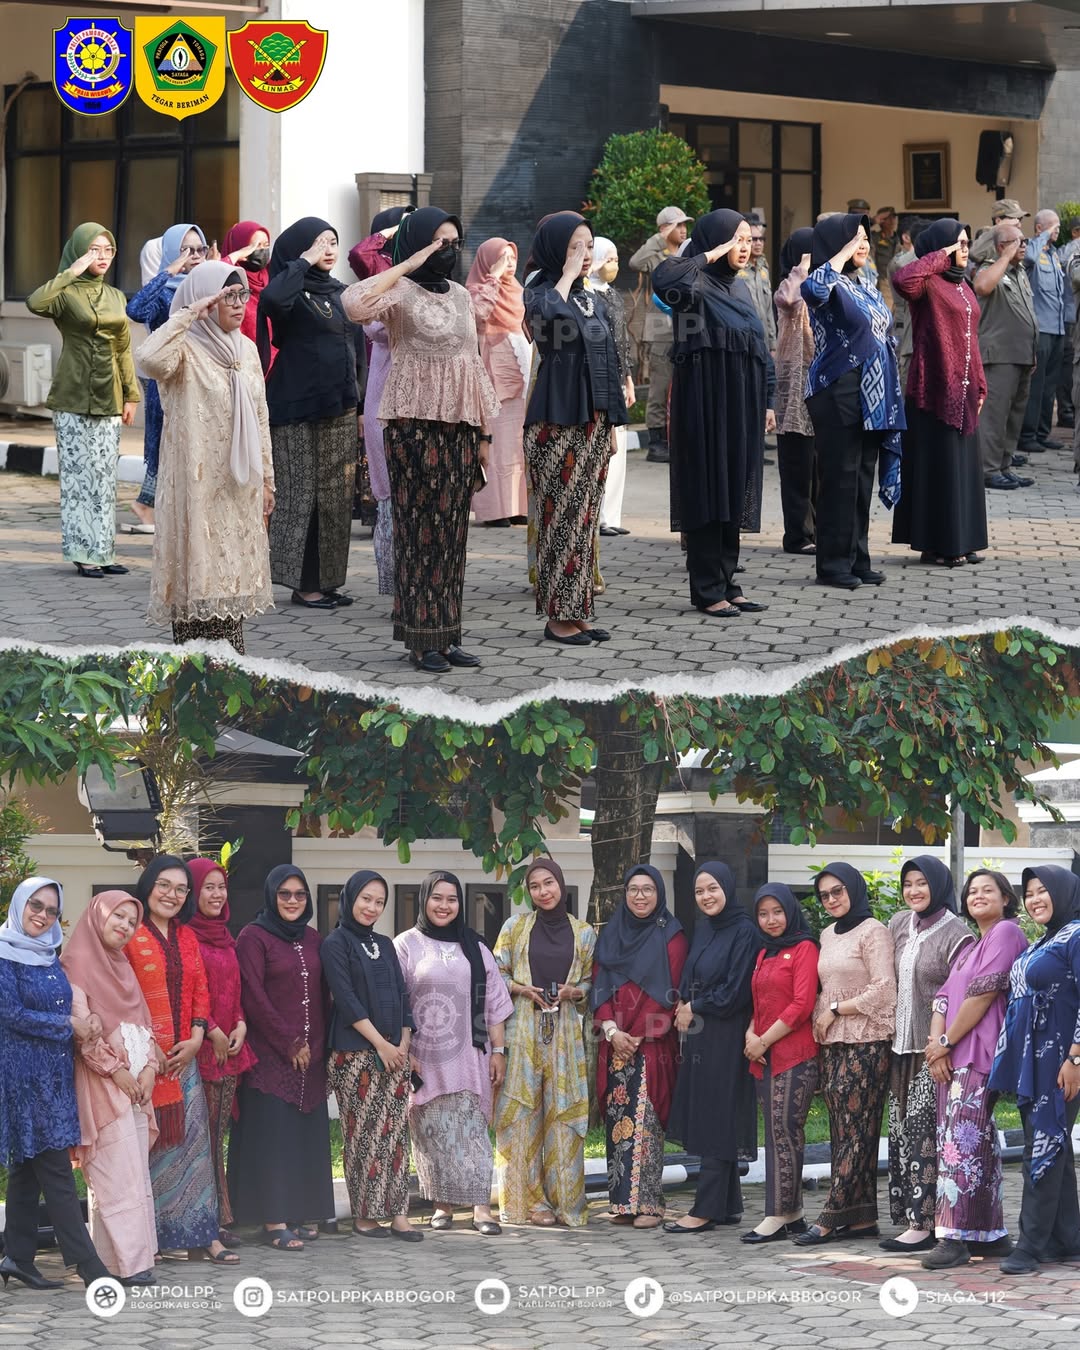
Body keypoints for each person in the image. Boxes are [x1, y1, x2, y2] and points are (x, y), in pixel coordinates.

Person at [343, 208, 498, 673]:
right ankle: (420, 638)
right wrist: (408, 265)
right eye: (437, 242)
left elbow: (471, 362)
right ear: (416, 243)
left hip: (458, 429)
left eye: (453, 243)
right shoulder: (398, 293)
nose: (447, 251)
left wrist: (483, 433)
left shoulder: (461, 295)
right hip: (412, 428)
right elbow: (353, 303)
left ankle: (448, 635)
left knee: (452, 536)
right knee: (418, 535)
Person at [138, 260, 275, 654]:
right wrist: (188, 314)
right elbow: (147, 359)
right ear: (206, 300)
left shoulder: (245, 349)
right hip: (196, 484)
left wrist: (267, 479)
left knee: (230, 576)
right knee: (199, 576)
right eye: (226, 296)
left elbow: (261, 416)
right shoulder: (183, 349)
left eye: (241, 294)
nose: (238, 303)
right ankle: (194, 672)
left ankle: (230, 667)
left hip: (237, 484)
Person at [653, 210, 774, 618]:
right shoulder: (692, 286)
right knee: (708, 489)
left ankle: (727, 581)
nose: (744, 247)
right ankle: (707, 589)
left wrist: (768, 401)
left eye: (747, 240)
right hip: (704, 404)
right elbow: (663, 278)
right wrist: (709, 254)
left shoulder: (740, 289)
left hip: (742, 403)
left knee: (734, 487)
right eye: (736, 239)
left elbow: (759, 346)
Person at [522, 212, 627, 646]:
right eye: (574, 247)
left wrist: (611, 423)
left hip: (593, 423)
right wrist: (565, 275)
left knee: (584, 522)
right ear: (554, 251)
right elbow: (545, 323)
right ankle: (557, 617)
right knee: (560, 519)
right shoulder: (540, 292)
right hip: (556, 422)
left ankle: (578, 609)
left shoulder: (592, 298)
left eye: (588, 245)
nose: (585, 254)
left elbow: (607, 362)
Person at [0, 878, 110, 1290]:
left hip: (55, 1075)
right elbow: (10, 1014)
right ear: (18, 905)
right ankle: (88, 1265)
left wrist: (85, 1020)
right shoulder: (3, 954)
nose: (42, 916)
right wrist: (68, 1025)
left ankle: (17, 1257)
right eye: (35, 905)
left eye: (51, 910)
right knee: (58, 1172)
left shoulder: (49, 955)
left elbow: (64, 1003)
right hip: (24, 1078)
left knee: (27, 1168)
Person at [126, 856, 236, 1264]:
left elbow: (200, 990)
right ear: (148, 886)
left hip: (184, 1061)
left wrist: (195, 1037)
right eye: (164, 885)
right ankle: (151, 1239)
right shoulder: (131, 934)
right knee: (150, 1149)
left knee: (194, 1148)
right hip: (143, 1064)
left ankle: (202, 1234)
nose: (172, 895)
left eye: (180, 889)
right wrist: (150, 1048)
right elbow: (124, 995)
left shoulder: (187, 936)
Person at [920, 869, 1028, 1269]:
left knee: (961, 1146)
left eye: (988, 890)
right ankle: (990, 1234)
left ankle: (954, 1237)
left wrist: (946, 1043)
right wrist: (937, 1046)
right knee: (973, 1143)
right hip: (951, 1056)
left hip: (977, 1053)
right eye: (972, 891)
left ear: (1006, 898)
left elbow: (983, 995)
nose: (977, 896)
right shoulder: (971, 946)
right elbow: (943, 998)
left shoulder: (1006, 933)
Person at [395, 871, 512, 1235]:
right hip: (424, 1055)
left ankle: (481, 1209)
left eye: (452, 899)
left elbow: (494, 1003)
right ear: (424, 900)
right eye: (437, 898)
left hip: (469, 1055)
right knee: (431, 1131)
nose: (444, 906)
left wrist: (499, 1050)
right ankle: (441, 1205)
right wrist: (404, 1050)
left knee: (473, 1131)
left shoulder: (475, 946)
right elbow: (396, 1002)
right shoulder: (406, 945)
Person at [229, 865, 335, 1251]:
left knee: (300, 1136)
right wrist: (289, 1043)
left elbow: (323, 996)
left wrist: (317, 1046)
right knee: (272, 1137)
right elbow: (252, 995)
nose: (293, 901)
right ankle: (273, 1220)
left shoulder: (312, 937)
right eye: (284, 894)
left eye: (300, 894)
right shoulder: (253, 937)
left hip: (311, 1057)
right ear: (271, 896)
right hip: (270, 1056)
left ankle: (298, 1213)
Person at [26, 223, 138, 577]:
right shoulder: (64, 294)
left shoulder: (116, 296)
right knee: (78, 478)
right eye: (93, 250)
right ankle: (83, 552)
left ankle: (103, 551)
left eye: (108, 250)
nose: (102, 257)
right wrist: (70, 272)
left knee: (104, 478)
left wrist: (131, 394)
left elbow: (123, 348)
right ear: (77, 252)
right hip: (73, 395)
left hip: (110, 395)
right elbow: (34, 302)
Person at [258, 217, 358, 612]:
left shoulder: (339, 292)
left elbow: (356, 349)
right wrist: (303, 261)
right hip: (296, 407)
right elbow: (270, 301)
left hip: (339, 404)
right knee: (302, 495)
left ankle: (326, 581)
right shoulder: (290, 291)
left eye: (332, 242)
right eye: (319, 243)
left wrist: (359, 403)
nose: (328, 250)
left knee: (335, 497)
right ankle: (302, 585)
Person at [793, 863, 895, 1245]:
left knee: (857, 1132)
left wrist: (835, 1011)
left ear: (853, 888)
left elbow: (884, 989)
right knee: (843, 1132)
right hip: (834, 1045)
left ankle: (831, 1214)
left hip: (866, 1043)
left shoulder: (873, 931)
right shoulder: (827, 934)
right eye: (824, 895)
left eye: (838, 891)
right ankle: (862, 1218)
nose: (832, 899)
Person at [60, 890, 158, 1285]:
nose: (125, 926)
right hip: (104, 1086)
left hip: (137, 1090)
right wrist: (118, 1072)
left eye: (132, 921)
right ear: (98, 915)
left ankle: (123, 1261)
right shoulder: (76, 964)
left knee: (134, 1174)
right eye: (118, 916)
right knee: (114, 1175)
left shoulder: (124, 966)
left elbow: (145, 1024)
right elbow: (83, 1033)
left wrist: (149, 1069)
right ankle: (128, 1265)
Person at [802, 212, 904, 590]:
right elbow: (812, 291)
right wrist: (840, 256)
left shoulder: (866, 285)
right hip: (837, 390)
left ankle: (858, 559)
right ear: (836, 245)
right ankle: (832, 565)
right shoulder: (827, 282)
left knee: (861, 479)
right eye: (854, 238)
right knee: (840, 479)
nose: (863, 245)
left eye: (864, 239)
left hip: (871, 394)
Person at [493, 858, 596, 1227]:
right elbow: (496, 973)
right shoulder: (514, 928)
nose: (543, 891)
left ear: (561, 884)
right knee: (520, 1115)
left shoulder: (584, 933)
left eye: (548, 883)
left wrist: (574, 992)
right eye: (534, 886)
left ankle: (566, 1203)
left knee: (564, 1114)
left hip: (564, 1034)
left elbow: (590, 981)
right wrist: (521, 989)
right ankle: (528, 1205)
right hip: (522, 1031)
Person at [880, 856, 975, 1253]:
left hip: (933, 1050)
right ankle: (909, 1217)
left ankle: (925, 1224)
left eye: (922, 883)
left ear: (938, 885)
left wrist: (944, 1046)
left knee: (924, 1137)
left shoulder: (958, 934)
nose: (914, 890)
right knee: (901, 1132)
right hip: (899, 1047)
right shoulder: (899, 924)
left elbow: (962, 994)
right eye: (908, 883)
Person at [989, 865, 1080, 1275]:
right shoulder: (1044, 941)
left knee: (1041, 1143)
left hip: (1061, 1060)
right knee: (1052, 1143)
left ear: (1063, 893)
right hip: (1035, 1060)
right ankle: (1067, 1239)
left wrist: (1075, 1058)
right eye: (1029, 893)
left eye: (1043, 890)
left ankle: (1030, 1244)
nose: (1035, 899)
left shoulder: (1076, 936)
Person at [322, 870, 421, 1241]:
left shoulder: (385, 943)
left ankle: (399, 1214)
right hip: (355, 1055)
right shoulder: (336, 943)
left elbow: (402, 993)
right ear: (350, 898)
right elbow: (346, 999)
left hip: (395, 1053)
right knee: (364, 1135)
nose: (372, 907)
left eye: (379, 901)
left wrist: (404, 1042)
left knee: (396, 1135)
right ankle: (364, 1216)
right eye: (366, 899)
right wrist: (380, 1043)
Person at [664, 862, 761, 1233]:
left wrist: (695, 1006)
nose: (706, 897)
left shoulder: (745, 931)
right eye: (699, 891)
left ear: (728, 888)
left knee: (717, 1115)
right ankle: (728, 1205)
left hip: (727, 1033)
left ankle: (704, 1209)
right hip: (704, 1033)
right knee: (712, 1112)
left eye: (712, 888)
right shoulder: (705, 928)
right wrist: (684, 1003)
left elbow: (736, 990)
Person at [592, 865, 688, 1228]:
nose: (640, 896)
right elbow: (599, 987)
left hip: (650, 1045)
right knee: (619, 1122)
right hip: (615, 1043)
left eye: (648, 889)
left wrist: (635, 1035)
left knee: (646, 1121)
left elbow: (671, 993)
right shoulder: (612, 934)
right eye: (633, 889)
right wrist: (613, 1031)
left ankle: (649, 1204)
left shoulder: (672, 936)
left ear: (659, 893)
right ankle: (622, 1205)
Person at [890, 221, 989, 568]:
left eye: (966, 243)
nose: (964, 248)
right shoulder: (927, 283)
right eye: (957, 243)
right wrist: (941, 255)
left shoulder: (963, 285)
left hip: (964, 388)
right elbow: (902, 280)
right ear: (941, 247)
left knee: (962, 467)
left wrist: (980, 382)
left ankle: (962, 539)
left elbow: (971, 337)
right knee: (939, 466)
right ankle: (939, 544)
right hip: (932, 390)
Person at [742, 883, 819, 1244]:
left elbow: (802, 1004)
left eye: (777, 912)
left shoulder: (805, 948)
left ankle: (776, 1214)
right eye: (763, 913)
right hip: (765, 1055)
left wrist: (764, 1040)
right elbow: (759, 1003)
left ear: (790, 912)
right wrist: (750, 1035)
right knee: (775, 1134)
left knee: (785, 1132)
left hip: (794, 1055)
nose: (771, 920)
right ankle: (794, 1214)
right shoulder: (764, 953)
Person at [185, 858, 256, 1250]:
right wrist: (211, 1030)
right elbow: (189, 993)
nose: (216, 895)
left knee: (216, 1138)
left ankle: (217, 1218)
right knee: (198, 1141)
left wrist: (240, 1024)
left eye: (221, 887)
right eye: (207, 887)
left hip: (228, 1052)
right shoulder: (186, 937)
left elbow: (235, 991)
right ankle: (202, 1222)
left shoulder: (226, 938)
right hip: (200, 1052)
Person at [348, 206, 416, 592]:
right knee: (390, 487)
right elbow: (359, 254)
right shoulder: (381, 273)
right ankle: (395, 581)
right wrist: (394, 229)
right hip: (385, 384)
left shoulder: (427, 275)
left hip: (421, 391)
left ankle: (420, 578)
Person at [126, 223, 209, 525]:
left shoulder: (208, 288)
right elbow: (136, 310)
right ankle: (163, 519)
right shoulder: (163, 294)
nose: (195, 256)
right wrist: (171, 270)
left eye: (200, 249)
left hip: (202, 384)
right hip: (168, 387)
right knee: (167, 455)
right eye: (186, 250)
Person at [467, 238, 531, 529]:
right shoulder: (476, 290)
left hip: (519, 373)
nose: (509, 263)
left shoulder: (518, 290)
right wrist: (492, 277)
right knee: (495, 443)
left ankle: (517, 506)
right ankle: (494, 510)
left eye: (512, 257)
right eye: (502, 258)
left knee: (516, 443)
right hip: (492, 377)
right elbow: (477, 316)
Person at [974, 221, 1039, 491]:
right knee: (994, 417)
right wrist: (1003, 257)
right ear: (1002, 246)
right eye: (1018, 242)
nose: (1024, 245)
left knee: (1014, 416)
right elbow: (982, 287)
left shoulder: (1019, 272)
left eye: (1025, 241)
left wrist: (1032, 350)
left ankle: (1004, 466)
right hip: (999, 356)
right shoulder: (990, 268)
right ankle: (988, 470)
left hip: (1021, 354)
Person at [630, 206, 692, 462]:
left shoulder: (688, 252)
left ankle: (677, 439)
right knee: (660, 387)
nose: (683, 230)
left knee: (683, 388)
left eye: (685, 225)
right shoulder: (655, 256)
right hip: (661, 332)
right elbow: (635, 263)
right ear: (665, 229)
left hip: (686, 329)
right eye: (678, 225)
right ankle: (656, 443)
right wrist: (659, 238)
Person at [773, 227, 817, 555]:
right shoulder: (790, 283)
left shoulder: (825, 282)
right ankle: (798, 535)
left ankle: (818, 530)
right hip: (793, 383)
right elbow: (789, 300)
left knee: (817, 463)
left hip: (817, 379)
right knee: (797, 463)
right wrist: (802, 268)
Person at [588, 237, 636, 539]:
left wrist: (628, 378)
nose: (613, 265)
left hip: (618, 378)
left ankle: (611, 515)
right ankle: (596, 516)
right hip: (598, 378)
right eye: (608, 259)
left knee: (618, 453)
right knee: (602, 448)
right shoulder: (586, 294)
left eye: (616, 259)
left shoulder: (614, 295)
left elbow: (623, 340)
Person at [1019, 209, 1067, 454]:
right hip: (1041, 328)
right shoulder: (1033, 249)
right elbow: (1028, 259)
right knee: (1036, 386)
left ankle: (1042, 433)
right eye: (1053, 226)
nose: (1057, 230)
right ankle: (1027, 435)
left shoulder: (1054, 254)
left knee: (1050, 387)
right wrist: (1042, 236)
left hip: (1057, 328)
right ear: (1039, 228)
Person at [221, 220, 272, 348]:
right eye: (255, 246)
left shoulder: (271, 274)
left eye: (266, 245)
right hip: (241, 354)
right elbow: (213, 276)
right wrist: (237, 255)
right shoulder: (230, 279)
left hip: (274, 357)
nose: (262, 250)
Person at [1054, 217, 1080, 429]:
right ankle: (1066, 411)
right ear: (1075, 232)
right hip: (1070, 317)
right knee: (1069, 368)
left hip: (1069, 316)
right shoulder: (1071, 249)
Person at [740, 217, 777, 354]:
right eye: (754, 239)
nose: (758, 243)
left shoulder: (763, 268)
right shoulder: (736, 272)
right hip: (745, 343)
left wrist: (773, 345)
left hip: (764, 343)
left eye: (761, 239)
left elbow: (768, 310)